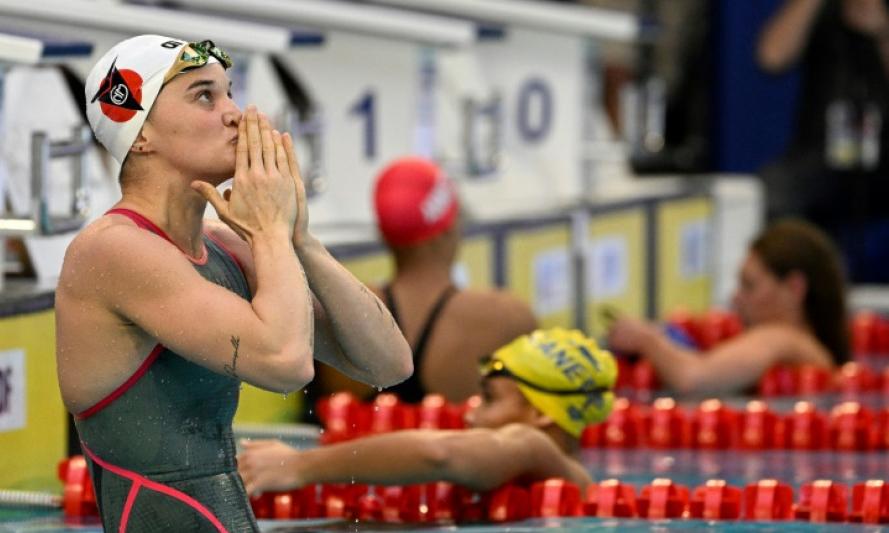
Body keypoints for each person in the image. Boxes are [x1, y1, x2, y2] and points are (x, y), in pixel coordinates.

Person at [56, 34, 412, 532]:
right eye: (205, 96)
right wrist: (269, 233)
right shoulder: (113, 250)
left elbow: (388, 364)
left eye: (229, 92)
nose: (237, 114)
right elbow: (286, 363)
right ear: (139, 134)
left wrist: (299, 239)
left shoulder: (228, 243)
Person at [239, 327, 617, 496]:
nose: (470, 414)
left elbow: (438, 453)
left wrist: (300, 467)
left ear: (541, 415)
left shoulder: (532, 446)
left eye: (490, 399)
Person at [309, 157, 538, 407]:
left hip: (359, 446)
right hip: (460, 446)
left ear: (383, 233)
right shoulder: (506, 318)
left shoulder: (336, 313)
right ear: (449, 227)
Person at [606, 218, 850, 397]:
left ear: (795, 288)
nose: (736, 297)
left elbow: (692, 378)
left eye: (750, 285)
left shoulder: (783, 338)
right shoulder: (815, 348)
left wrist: (646, 340)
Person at [756, 0, 889, 283]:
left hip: (881, 157)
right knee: (774, 191)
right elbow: (771, 56)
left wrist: (882, 33)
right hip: (820, 157)